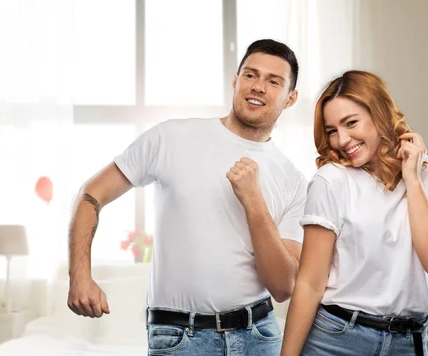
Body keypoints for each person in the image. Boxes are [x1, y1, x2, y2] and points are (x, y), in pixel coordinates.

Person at [67, 39, 308, 356]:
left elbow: (282, 287)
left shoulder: (293, 180)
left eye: (273, 81)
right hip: (180, 338)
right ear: (236, 81)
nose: (259, 87)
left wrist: (254, 201)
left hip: (258, 337)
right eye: (250, 75)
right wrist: (79, 274)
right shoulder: (171, 137)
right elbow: (91, 194)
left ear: (290, 99)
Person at [280, 70, 428, 356]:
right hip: (336, 340)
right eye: (332, 130)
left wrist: (412, 180)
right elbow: (310, 283)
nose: (341, 140)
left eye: (351, 123)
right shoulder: (332, 180)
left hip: (409, 342)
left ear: (379, 113)